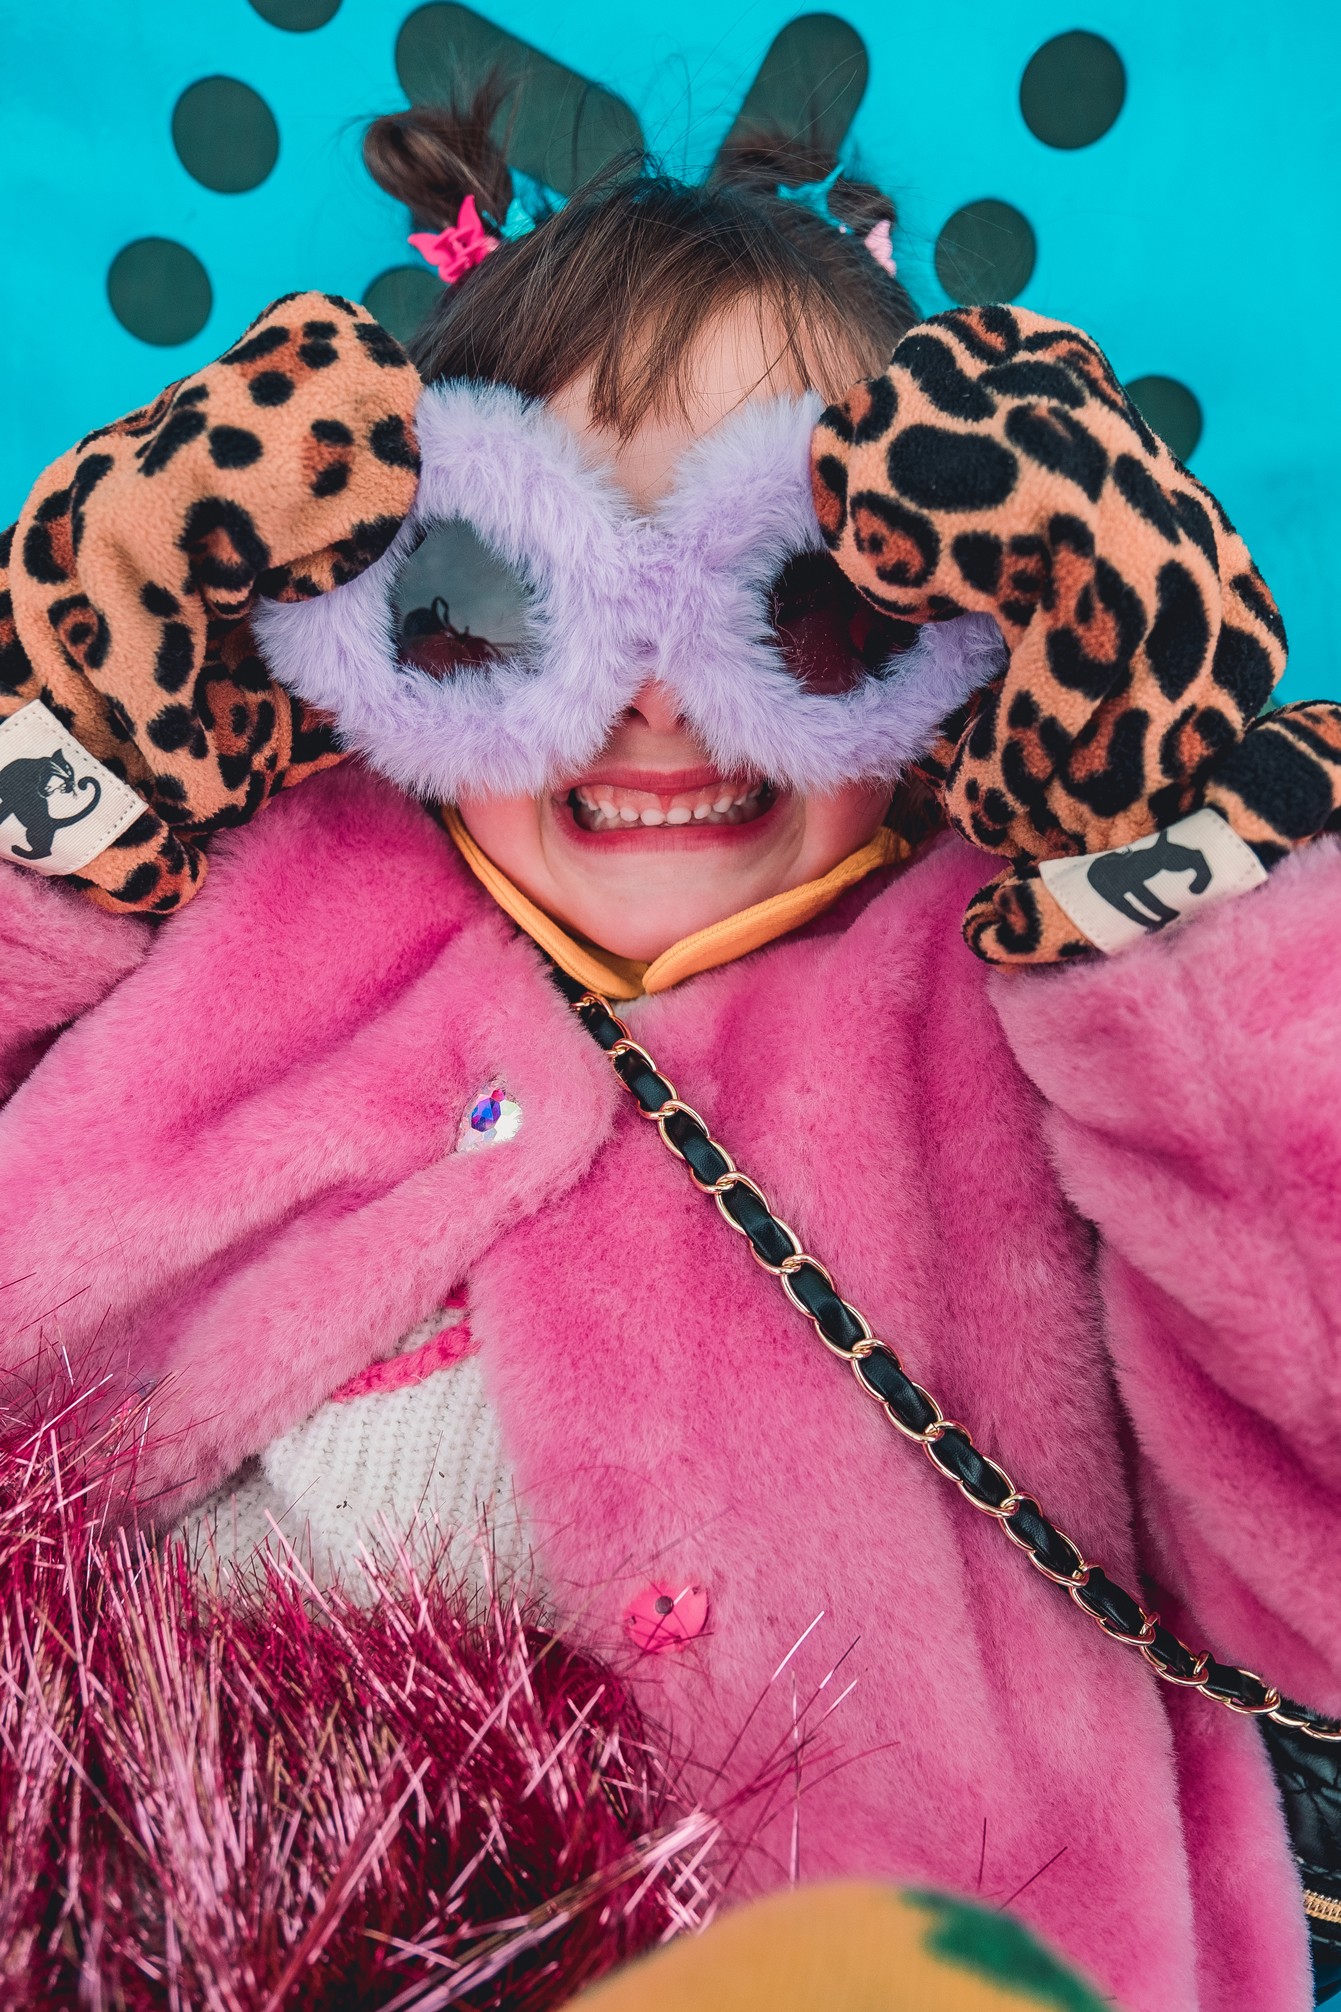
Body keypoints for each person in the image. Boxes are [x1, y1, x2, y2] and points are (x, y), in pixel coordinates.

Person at [2, 93, 1340, 2011]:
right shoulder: (261, 902)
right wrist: (81, 758)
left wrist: (1150, 862)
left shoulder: (1063, 1023)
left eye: (794, 604)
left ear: (971, 637)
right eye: (498, 603)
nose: (649, 699)